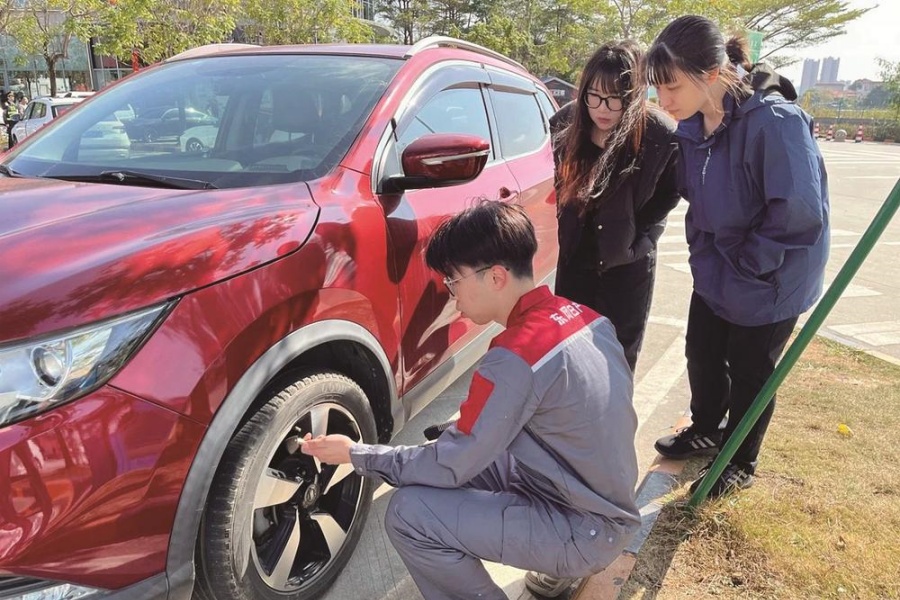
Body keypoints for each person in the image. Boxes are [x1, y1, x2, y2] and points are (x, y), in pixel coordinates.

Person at [301, 200, 641, 600]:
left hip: (582, 529)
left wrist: (357, 454)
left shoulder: (516, 356)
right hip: (597, 497)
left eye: (453, 281)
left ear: (495, 277)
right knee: (449, 453)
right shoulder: (584, 316)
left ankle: (558, 564)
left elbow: (449, 466)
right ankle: (555, 565)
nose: (451, 295)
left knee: (410, 514)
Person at [647, 16, 830, 497]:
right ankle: (707, 426)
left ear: (710, 73)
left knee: (749, 369)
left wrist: (749, 263)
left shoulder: (775, 122)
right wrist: (706, 251)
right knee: (703, 352)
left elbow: (799, 213)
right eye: (658, 89)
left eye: (671, 87)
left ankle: (739, 461)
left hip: (769, 271)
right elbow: (695, 193)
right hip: (718, 263)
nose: (663, 102)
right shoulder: (692, 124)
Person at [551, 41, 680, 372]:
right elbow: (560, 186)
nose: (602, 108)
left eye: (615, 98)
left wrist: (640, 241)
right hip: (576, 262)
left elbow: (669, 194)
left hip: (626, 266)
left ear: (634, 95)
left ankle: (613, 424)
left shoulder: (658, 135)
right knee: (571, 353)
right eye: (594, 95)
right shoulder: (566, 126)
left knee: (618, 360)